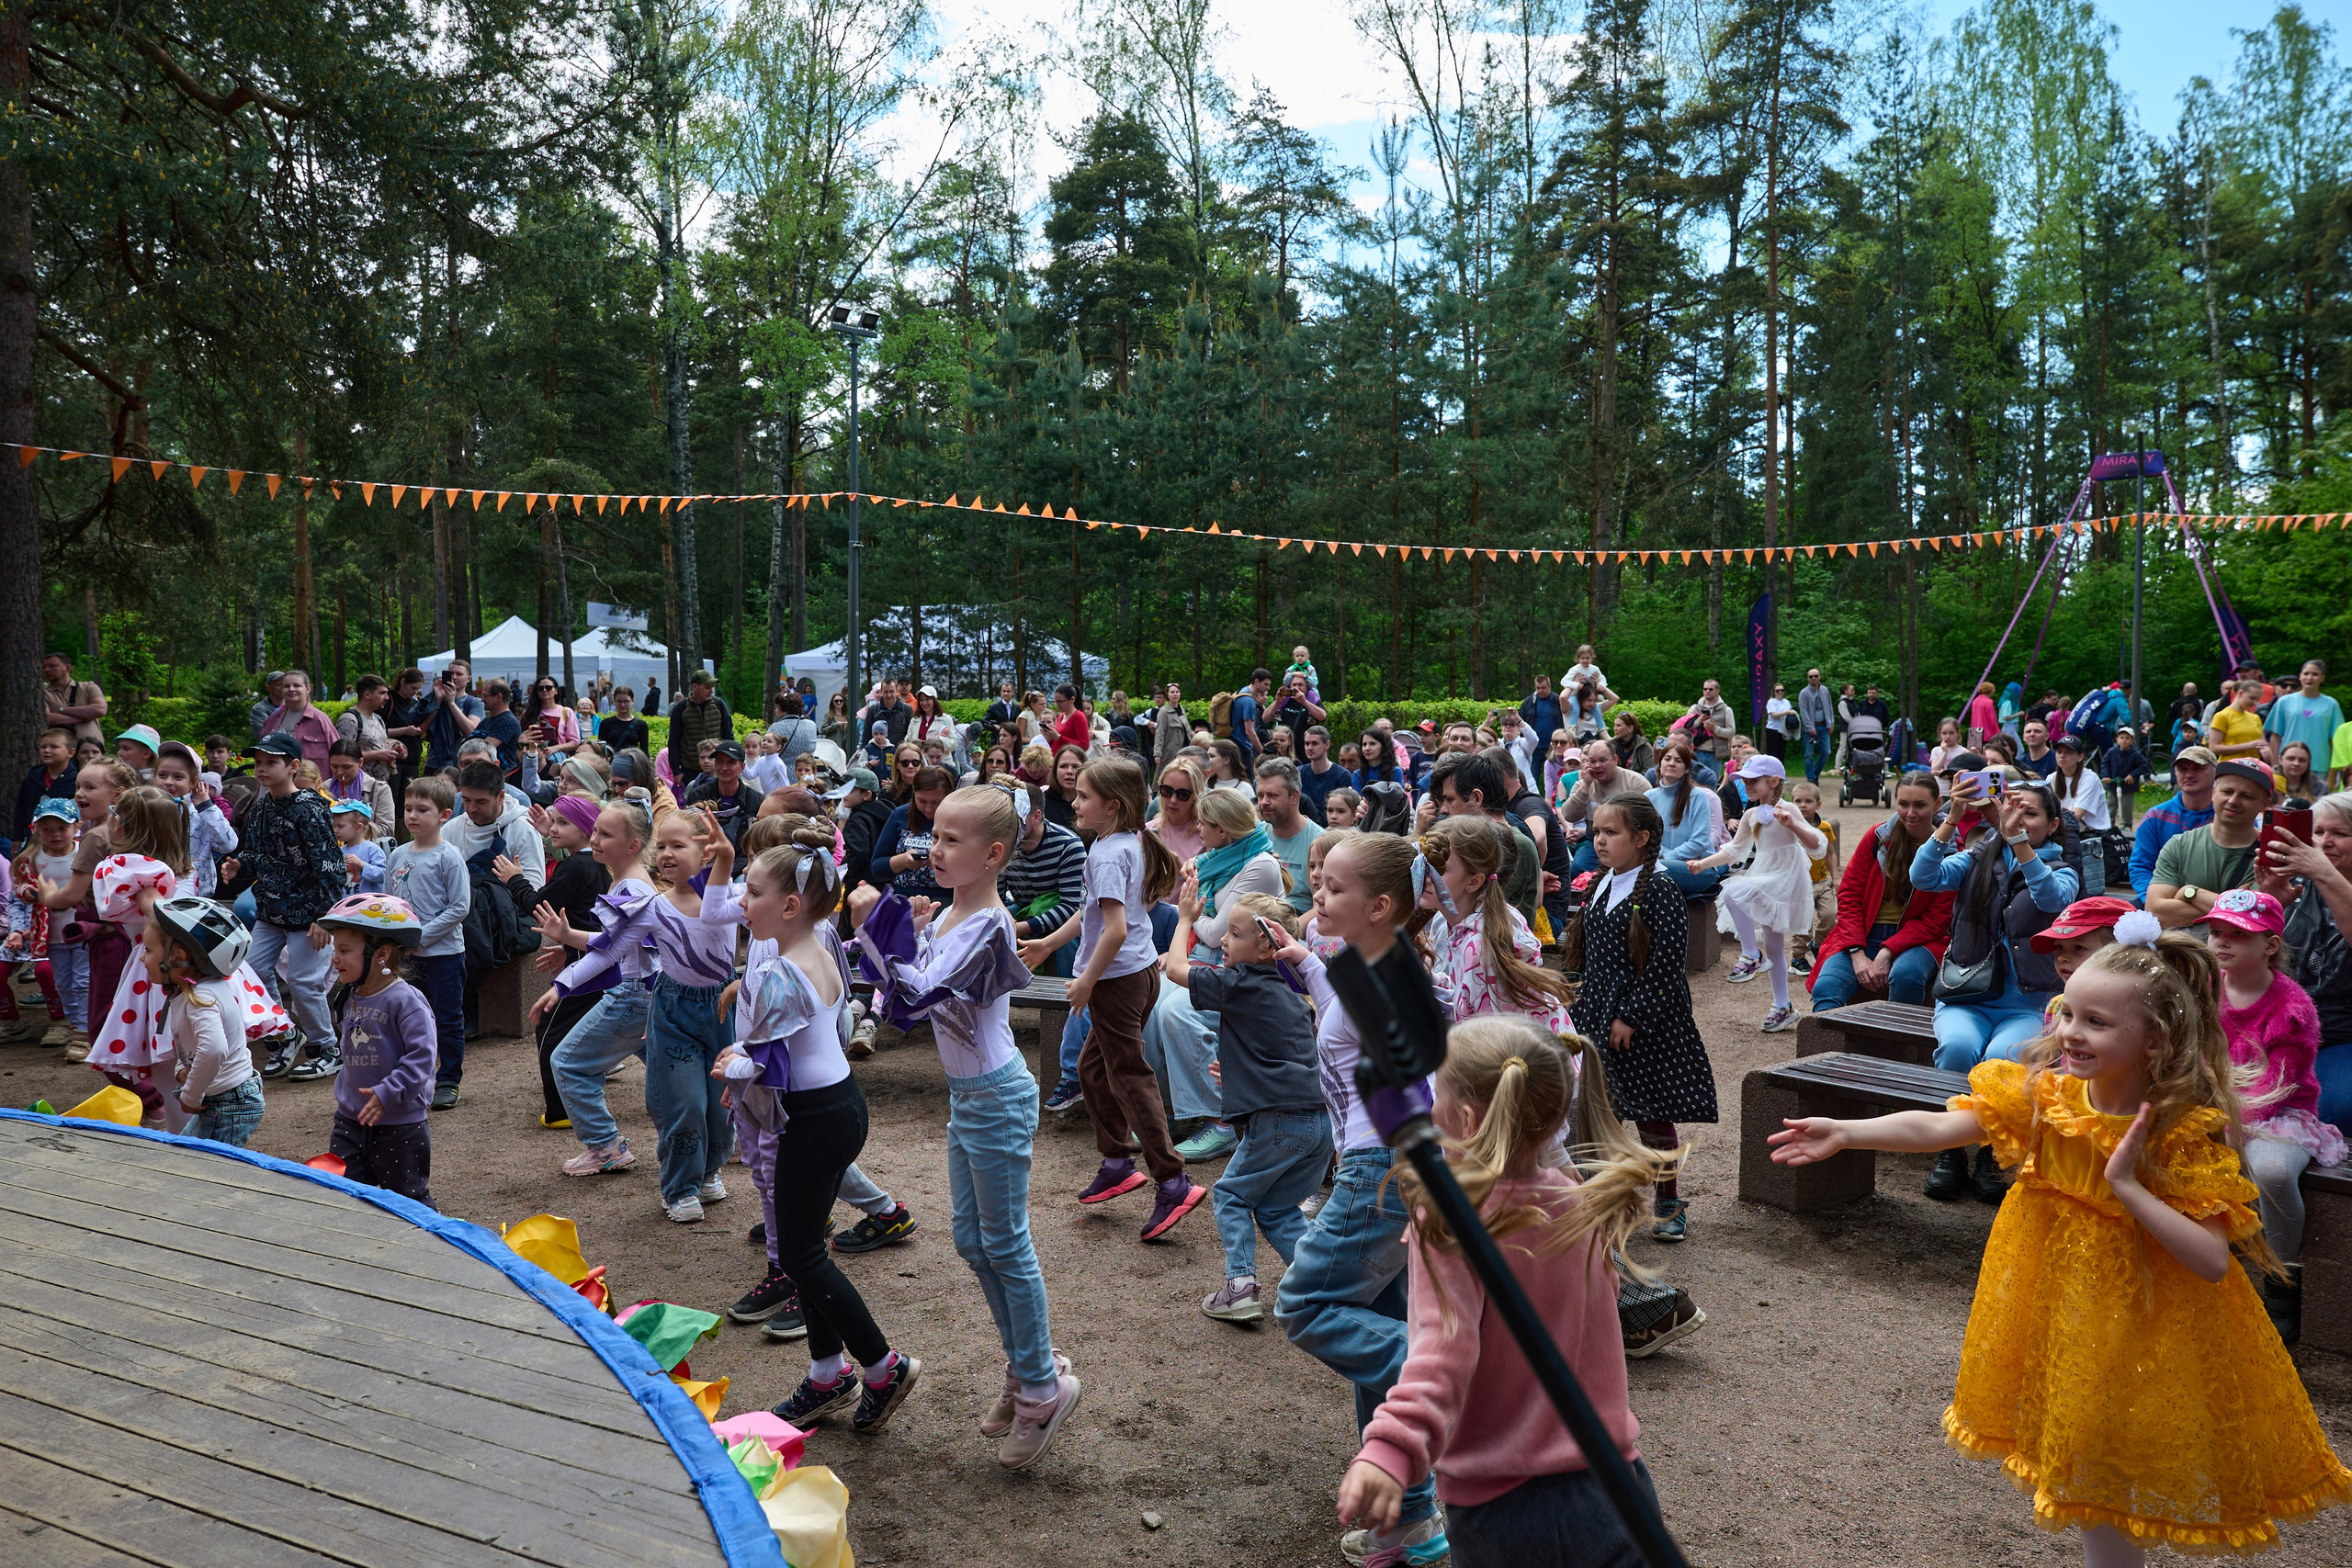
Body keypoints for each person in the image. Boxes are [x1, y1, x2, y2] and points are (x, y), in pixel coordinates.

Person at [1768, 931, 2352, 1563]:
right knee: (2088, 1461)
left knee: (2110, 1462)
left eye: (2096, 1021)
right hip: (2066, 1308)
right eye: (2068, 1012)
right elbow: (1939, 1125)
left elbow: (2212, 1261)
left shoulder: (2176, 1130)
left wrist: (2127, 1186)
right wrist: (1846, 1131)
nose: (2071, 1031)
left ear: (2154, 1041)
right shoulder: (2049, 1098)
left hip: (2146, 1319)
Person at [1337, 1016, 1672, 1568]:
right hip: (1617, 1486)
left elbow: (1441, 1356)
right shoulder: (1579, 1203)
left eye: (1436, 1094)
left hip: (1506, 1509)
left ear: (1466, 1121)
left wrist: (1391, 1449)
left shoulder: (1451, 1223)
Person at [1275, 830, 1450, 1567]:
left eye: (1333, 887)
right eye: (1319, 881)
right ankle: (1409, 1517)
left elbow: (1423, 1081)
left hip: (1380, 1170)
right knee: (1372, 1336)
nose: (1318, 893)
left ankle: (1448, 1371)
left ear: (1379, 906)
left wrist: (1409, 1175)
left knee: (1306, 1303)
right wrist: (1305, 960)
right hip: (1389, 1168)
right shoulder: (1372, 964)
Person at [534, 807, 736, 1223]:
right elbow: (609, 950)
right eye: (662, 846)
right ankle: (679, 1189)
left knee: (720, 1106)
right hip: (672, 1012)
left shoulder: (729, 899)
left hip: (722, 1010)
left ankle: (709, 1172)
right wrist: (561, 985)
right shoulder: (653, 906)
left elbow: (771, 915)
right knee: (684, 1103)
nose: (666, 854)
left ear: (707, 852)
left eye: (678, 845)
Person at [1559, 787, 1718, 1269]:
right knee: (1598, 1109)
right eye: (1596, 832)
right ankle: (1604, 1195)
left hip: (1645, 1020)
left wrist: (1631, 1017)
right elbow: (1588, 953)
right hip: (1597, 1011)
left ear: (1642, 838)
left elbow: (1666, 968)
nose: (1599, 840)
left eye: (1611, 832)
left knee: (1650, 1111)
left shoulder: (1661, 890)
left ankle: (1668, 1200)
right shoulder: (1602, 882)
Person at [1909, 773, 2080, 1201]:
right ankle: (1950, 1150)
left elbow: (2050, 900)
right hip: (1967, 995)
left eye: (2030, 813)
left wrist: (2018, 842)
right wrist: (1952, 817)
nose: (2018, 818)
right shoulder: (1979, 856)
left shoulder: (2063, 871)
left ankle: (1990, 1150)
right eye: (2013, 808)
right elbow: (1924, 876)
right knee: (1957, 1049)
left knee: (2001, 1057)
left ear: (2052, 825)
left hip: (2027, 1003)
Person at [1169, 886, 1329, 1329]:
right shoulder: (1293, 994)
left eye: (1234, 934)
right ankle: (1322, 1285)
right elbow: (1284, 1053)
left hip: (1280, 1120)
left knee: (1232, 1194)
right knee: (1276, 1209)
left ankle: (1240, 1287)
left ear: (1264, 947)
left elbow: (1177, 969)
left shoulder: (1241, 984)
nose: (1223, 939)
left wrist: (1185, 919)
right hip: (1319, 1123)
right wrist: (1241, 1070)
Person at [1068, 757, 1204, 1238]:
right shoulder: (1127, 841)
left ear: (1112, 806)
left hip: (1116, 980)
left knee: (1129, 1076)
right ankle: (1116, 1162)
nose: (1075, 802)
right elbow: (1093, 913)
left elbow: (1115, 929)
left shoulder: (1108, 853)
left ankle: (1172, 1181)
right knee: (1092, 1069)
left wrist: (1087, 980)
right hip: (1139, 973)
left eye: (1083, 796)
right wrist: (1048, 944)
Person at [2204, 886, 2340, 1344]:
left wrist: (2227, 1124)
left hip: (2278, 1112)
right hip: (2213, 1103)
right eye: (2216, 932)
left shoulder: (2291, 1007)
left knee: (2273, 1171)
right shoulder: (2206, 988)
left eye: (2238, 934)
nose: (2222, 942)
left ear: (2271, 945)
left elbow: (2277, 1084)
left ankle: (2282, 1282)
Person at [1146, 787, 1288, 1164]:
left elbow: (1214, 932)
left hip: (1242, 970)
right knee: (1148, 1000)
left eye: (1203, 824)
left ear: (1222, 830)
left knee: (1178, 1012)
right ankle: (1167, 1110)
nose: (1197, 830)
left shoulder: (1260, 864)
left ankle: (1218, 1122)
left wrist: (1191, 914)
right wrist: (1196, 906)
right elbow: (1206, 921)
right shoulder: (1218, 857)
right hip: (1203, 958)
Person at [222, 734, 344, 1081]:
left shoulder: (310, 808)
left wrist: (326, 916)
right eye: (258, 763)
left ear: (293, 767)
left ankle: (327, 1049)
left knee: (304, 982)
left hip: (310, 914)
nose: (262, 769)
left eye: (271, 762)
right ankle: (285, 1032)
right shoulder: (261, 806)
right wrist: (240, 865)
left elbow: (330, 865)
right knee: (250, 972)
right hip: (272, 909)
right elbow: (257, 855)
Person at [1681, 755, 1824, 1034]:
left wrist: (1792, 824)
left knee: (1734, 891)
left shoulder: (1788, 809)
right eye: (1744, 781)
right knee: (1774, 946)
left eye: (1753, 781)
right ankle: (1782, 1007)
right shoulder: (1750, 814)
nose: (1747, 786)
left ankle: (1750, 955)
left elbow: (1816, 844)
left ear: (1773, 781)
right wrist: (1703, 863)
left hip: (1786, 876)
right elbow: (1735, 850)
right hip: (1766, 872)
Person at [313, 895, 440, 1204]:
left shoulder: (406, 1001)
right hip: (350, 1119)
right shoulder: (349, 996)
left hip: (400, 1124)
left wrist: (388, 1093)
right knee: (347, 1197)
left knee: (408, 1201)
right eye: (335, 950)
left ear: (381, 954)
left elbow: (422, 1058)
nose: (335, 959)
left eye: (344, 951)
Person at [1806, 772, 1952, 1011]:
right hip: (1864, 933)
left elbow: (1937, 920)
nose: (1910, 813)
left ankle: (1897, 1036)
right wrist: (1857, 953)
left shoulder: (1950, 850)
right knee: (1826, 987)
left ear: (1937, 804)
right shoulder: (1878, 837)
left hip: (1919, 940)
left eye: (1920, 805)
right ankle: (1829, 1038)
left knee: (1906, 975)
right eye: (1903, 804)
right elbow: (1849, 896)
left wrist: (1888, 950)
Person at [145, 895, 277, 1145]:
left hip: (228, 1103)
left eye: (148, 950)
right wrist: (182, 1070)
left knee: (204, 1165)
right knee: (184, 1156)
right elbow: (191, 1046)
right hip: (226, 1097)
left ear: (178, 956)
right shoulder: (195, 991)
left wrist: (191, 1096)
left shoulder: (201, 997)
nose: (143, 958)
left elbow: (214, 1049)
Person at [2259, 790, 2352, 1136]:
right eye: (2319, 832)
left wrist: (2324, 873)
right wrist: (2273, 902)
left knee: (2336, 1109)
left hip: (2341, 1033)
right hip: (2279, 1023)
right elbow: (2254, 957)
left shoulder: (2320, 875)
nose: (2325, 842)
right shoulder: (2298, 882)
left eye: (2340, 833)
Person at [384, 774, 470, 1113]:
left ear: (444, 815)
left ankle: (448, 1079)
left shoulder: (449, 856)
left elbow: (459, 907)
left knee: (446, 1017)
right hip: (405, 954)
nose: (413, 816)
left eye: (422, 809)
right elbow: (391, 902)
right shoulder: (397, 855)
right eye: (409, 808)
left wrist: (420, 936)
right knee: (407, 1018)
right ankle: (413, 1076)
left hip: (444, 954)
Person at [2147, 761, 2271, 932]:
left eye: (2246, 796)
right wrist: (2234, 907)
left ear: (2265, 805)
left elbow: (2255, 915)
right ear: (2214, 793)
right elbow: (2155, 911)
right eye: (2227, 791)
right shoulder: (2179, 845)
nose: (2233, 801)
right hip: (2182, 949)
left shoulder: (2269, 856)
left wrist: (2190, 893)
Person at [2129, 744, 2216, 904]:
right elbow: (2141, 867)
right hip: (2161, 902)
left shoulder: (2228, 816)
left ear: (2215, 773)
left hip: (2214, 904)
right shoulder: (2156, 816)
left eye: (2198, 768)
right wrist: (2153, 900)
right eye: (2182, 769)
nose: (2189, 774)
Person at [1648, 741, 1724, 900]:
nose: (1671, 764)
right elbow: (1647, 838)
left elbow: (1699, 842)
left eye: (1678, 760)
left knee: (1650, 869)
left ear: (1687, 768)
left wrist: (1665, 858)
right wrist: (1662, 856)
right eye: (1667, 759)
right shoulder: (1649, 797)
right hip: (1659, 861)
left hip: (1698, 867)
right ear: (1660, 764)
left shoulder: (1698, 796)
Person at [1255, 759, 1323, 915]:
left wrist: (1288, 929)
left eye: (1272, 795)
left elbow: (1322, 904)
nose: (1264, 802)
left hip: (1297, 921)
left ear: (1294, 796)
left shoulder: (1319, 841)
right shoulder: (1256, 836)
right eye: (1260, 795)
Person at [683, 739, 756, 856]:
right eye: (720, 762)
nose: (724, 768)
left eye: (731, 763)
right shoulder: (698, 796)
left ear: (742, 767)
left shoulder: (755, 801)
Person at [258, 670, 338, 769]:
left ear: (308, 689)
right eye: (286, 686)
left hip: (313, 778)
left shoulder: (320, 719)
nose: (291, 689)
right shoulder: (272, 720)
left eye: (297, 685)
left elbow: (337, 754)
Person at [13, 725, 76, 841]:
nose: (46, 750)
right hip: (31, 838)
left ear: (70, 752)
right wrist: (17, 837)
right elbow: (21, 809)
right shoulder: (32, 777)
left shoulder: (76, 780)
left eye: (54, 747)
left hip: (61, 839)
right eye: (43, 747)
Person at [41, 651, 109, 748]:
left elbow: (100, 710)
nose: (47, 670)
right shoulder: (41, 693)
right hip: (59, 752)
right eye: (44, 667)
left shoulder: (88, 687)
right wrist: (85, 716)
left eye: (52, 666)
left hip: (92, 751)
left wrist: (61, 710)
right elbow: (46, 719)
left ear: (68, 668)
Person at [2051, 732, 2109, 834]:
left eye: (2069, 752)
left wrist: (2058, 812)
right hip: (2064, 830)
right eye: (2059, 752)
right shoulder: (2051, 778)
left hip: (2092, 833)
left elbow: (2076, 816)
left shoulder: (2090, 779)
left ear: (2080, 757)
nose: (2062, 756)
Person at [2208, 678, 2271, 764]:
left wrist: (2265, 749)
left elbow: (2262, 743)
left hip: (2253, 766)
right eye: (2252, 698)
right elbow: (2213, 748)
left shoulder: (2255, 717)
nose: (2255, 703)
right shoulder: (2222, 716)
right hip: (2230, 766)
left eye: (2257, 699)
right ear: (2241, 693)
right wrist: (2248, 745)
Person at [2100, 728, 2150, 830]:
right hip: (2112, 785)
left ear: (2132, 741)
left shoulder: (2135, 754)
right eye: (2122, 738)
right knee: (2111, 805)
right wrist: (2106, 775)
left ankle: (2127, 825)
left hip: (2128, 786)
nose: (2124, 740)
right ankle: (2109, 824)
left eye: (2127, 738)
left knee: (2126, 806)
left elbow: (2143, 766)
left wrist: (2132, 775)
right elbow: (2105, 763)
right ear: (2117, 739)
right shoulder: (2111, 752)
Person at [1682, 678, 1736, 773]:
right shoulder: (1694, 708)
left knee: (1712, 781)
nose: (1707, 691)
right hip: (1696, 751)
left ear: (1717, 691)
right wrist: (1699, 721)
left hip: (1715, 754)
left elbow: (1731, 733)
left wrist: (1714, 728)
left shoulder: (1726, 710)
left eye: (1710, 689)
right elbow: (1685, 730)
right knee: (1693, 780)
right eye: (1705, 689)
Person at [1798, 668, 1836, 783]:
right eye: (1811, 676)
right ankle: (1811, 778)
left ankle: (1815, 773)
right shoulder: (1804, 693)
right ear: (1808, 678)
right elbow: (1803, 712)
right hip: (1810, 728)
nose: (1813, 678)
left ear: (1820, 677)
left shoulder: (1824, 690)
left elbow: (1829, 707)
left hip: (1824, 726)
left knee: (1826, 752)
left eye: (1816, 676)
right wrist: (1810, 727)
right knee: (1809, 754)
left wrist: (1831, 723)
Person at [1518, 672, 1563, 750]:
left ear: (1549, 686)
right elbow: (1520, 721)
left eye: (1543, 688)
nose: (1540, 691)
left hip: (1553, 746)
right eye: (1538, 688)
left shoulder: (1557, 701)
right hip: (1532, 747)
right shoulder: (1528, 702)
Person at [1150, 683, 1190, 772]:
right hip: (1169, 752)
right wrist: (1157, 754)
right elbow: (1160, 733)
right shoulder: (1164, 711)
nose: (1175, 694)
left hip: (1184, 750)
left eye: (1177, 692)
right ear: (1167, 695)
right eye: (1172, 692)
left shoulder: (1182, 710)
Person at [2279, 741, 2322, 807]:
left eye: (2302, 760)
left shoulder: (2320, 788)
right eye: (2291, 759)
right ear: (2280, 759)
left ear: (2309, 762)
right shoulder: (2270, 783)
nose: (2296, 764)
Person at [1762, 682, 1794, 761]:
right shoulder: (1771, 702)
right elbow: (1774, 715)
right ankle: (1771, 767)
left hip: (1783, 729)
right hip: (1773, 729)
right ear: (1774, 692)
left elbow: (1790, 713)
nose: (1780, 692)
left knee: (1781, 752)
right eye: (1777, 690)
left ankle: (1780, 767)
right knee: (1772, 752)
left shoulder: (1786, 702)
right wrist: (1787, 712)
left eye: (1782, 690)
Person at [1962, 681, 2000, 747]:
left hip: (1975, 732)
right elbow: (1992, 719)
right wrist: (1997, 732)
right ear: (1989, 691)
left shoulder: (1975, 701)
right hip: (1987, 734)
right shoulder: (1988, 702)